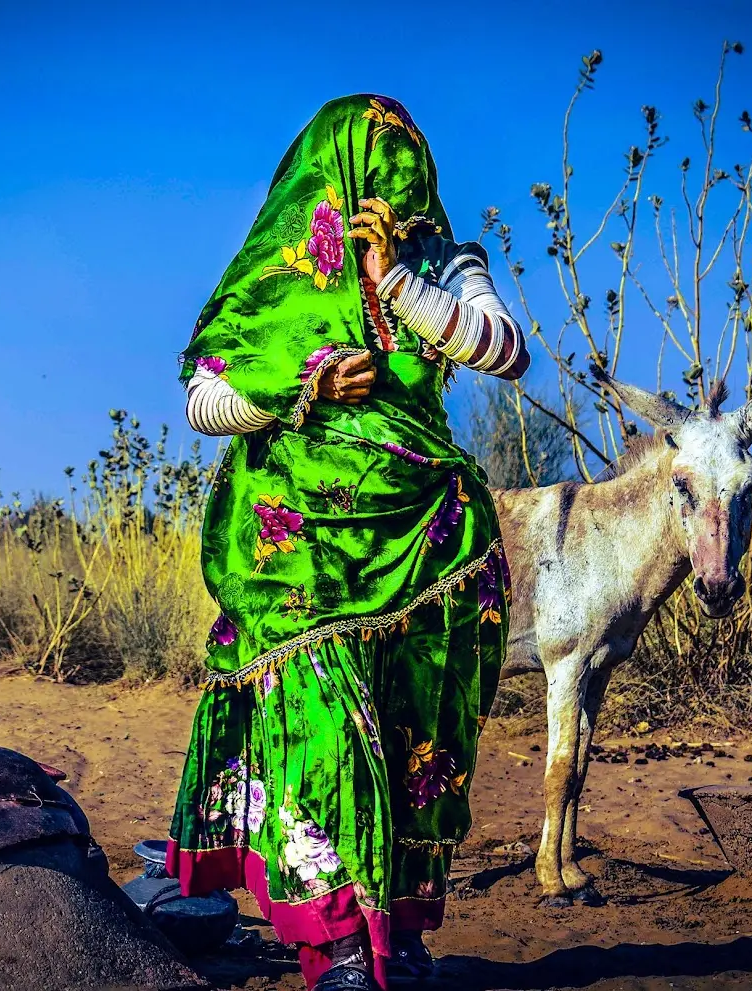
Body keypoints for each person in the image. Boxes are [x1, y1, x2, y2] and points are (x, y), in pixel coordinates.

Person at [167, 94, 528, 991]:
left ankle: (396, 938)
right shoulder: (275, 272)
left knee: (417, 739)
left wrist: (402, 281)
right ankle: (334, 948)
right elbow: (204, 400)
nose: (401, 175)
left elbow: (508, 351)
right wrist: (305, 384)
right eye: (382, 155)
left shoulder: (444, 256)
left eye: (412, 156)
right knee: (323, 735)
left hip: (427, 545)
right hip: (299, 554)